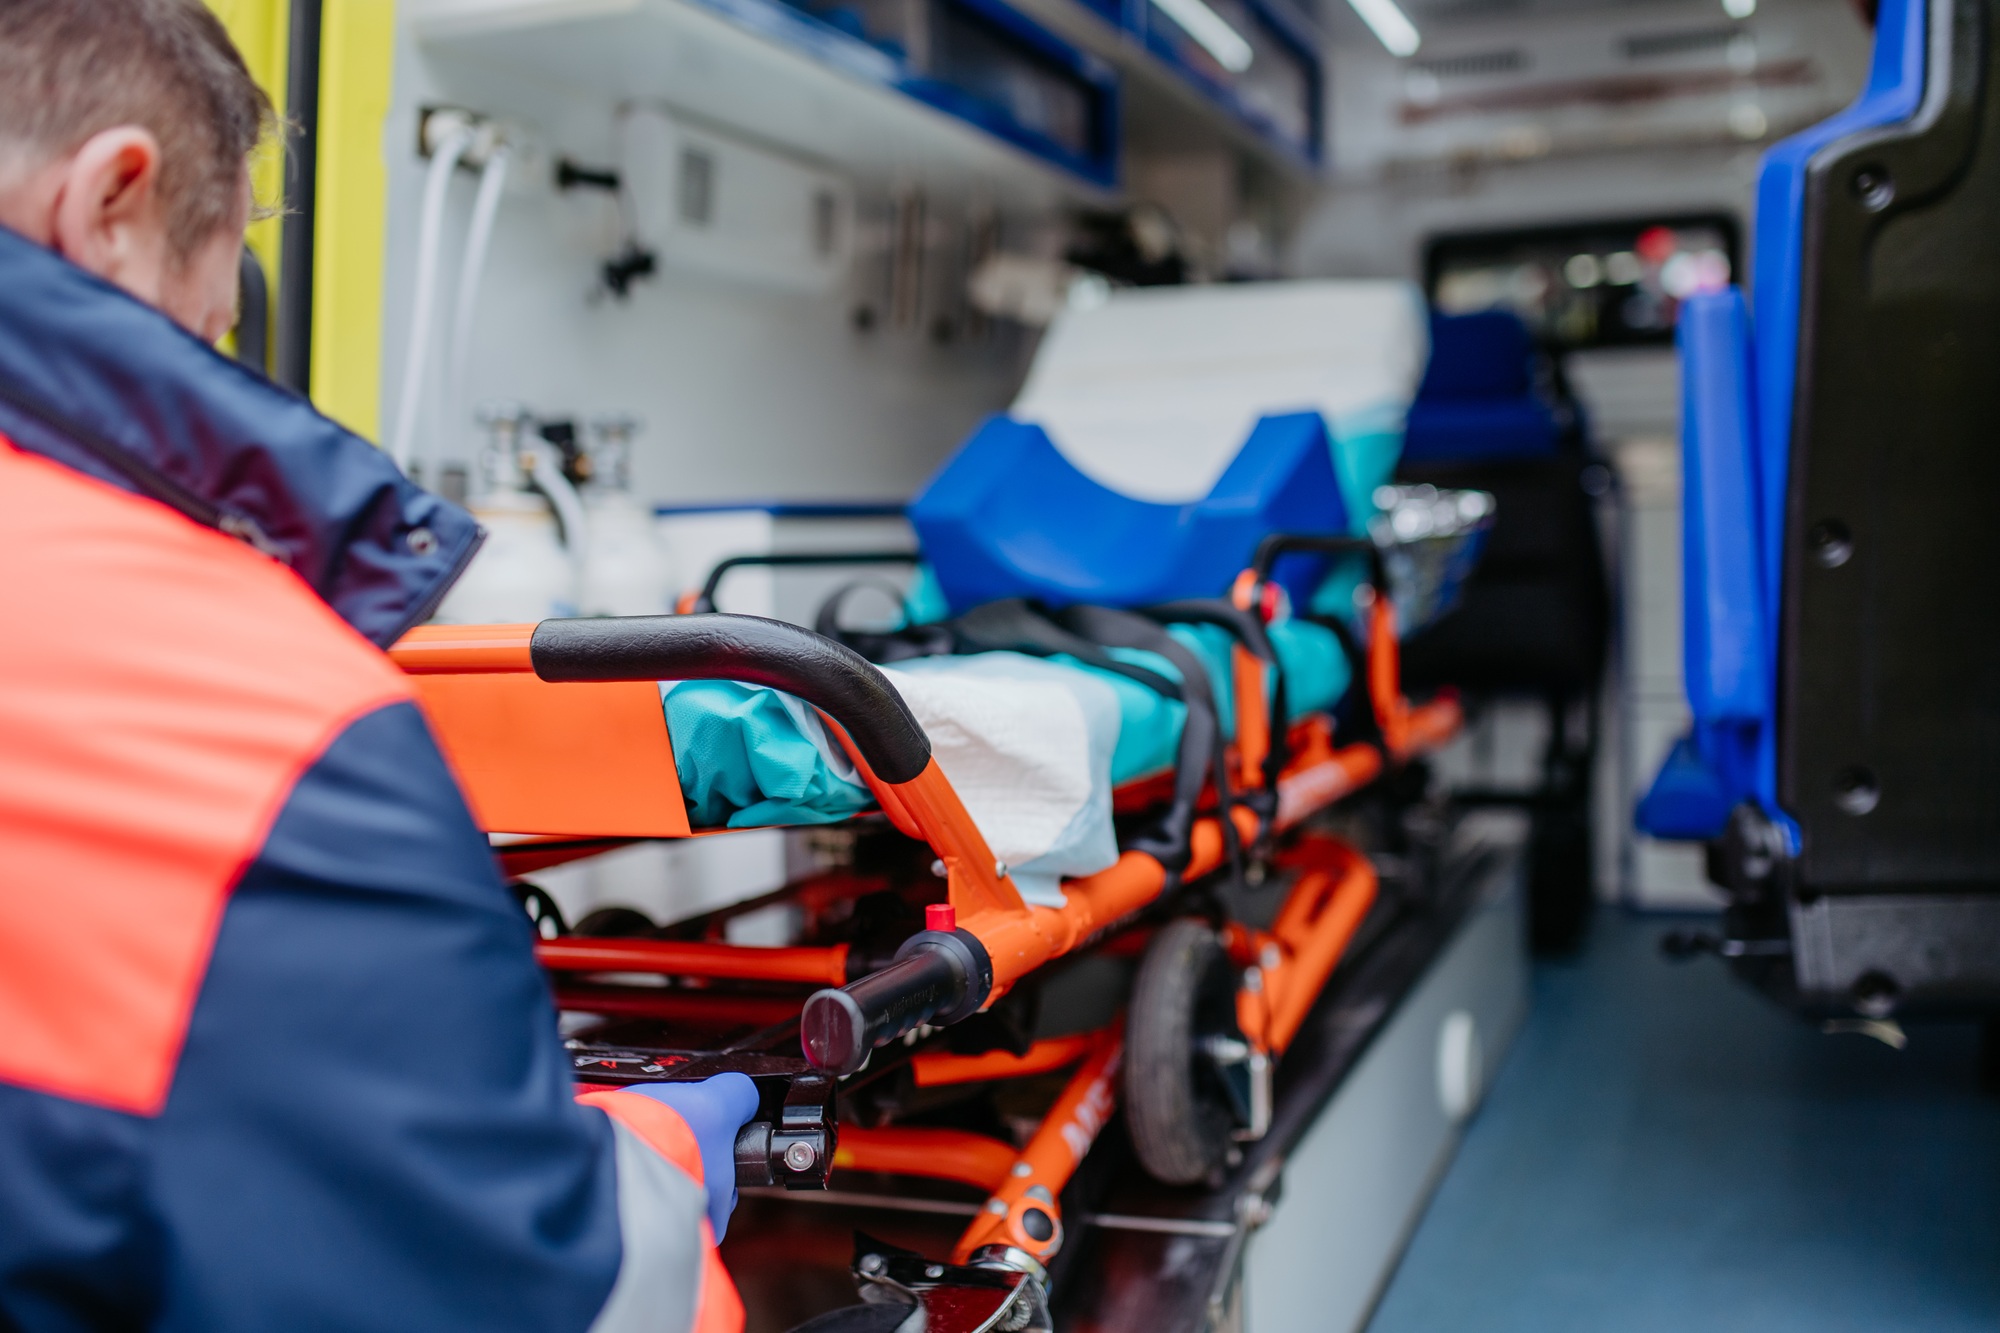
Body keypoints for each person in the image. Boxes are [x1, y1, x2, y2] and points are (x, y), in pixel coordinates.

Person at [0, 2, 758, 1329]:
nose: (214, 360)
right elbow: (545, 1294)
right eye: (207, 329)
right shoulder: (243, 716)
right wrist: (662, 1160)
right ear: (110, 202)